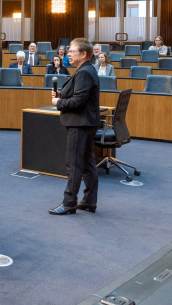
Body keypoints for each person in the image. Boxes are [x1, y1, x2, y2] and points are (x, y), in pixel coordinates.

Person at [50, 38, 100, 215]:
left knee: (74, 164)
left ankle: (69, 202)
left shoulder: (84, 72)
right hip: (85, 123)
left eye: (72, 51)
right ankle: (89, 201)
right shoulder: (86, 70)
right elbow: (79, 94)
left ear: (84, 54)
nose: (68, 54)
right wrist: (62, 94)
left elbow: (78, 101)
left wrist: (58, 102)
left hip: (80, 124)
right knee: (87, 163)